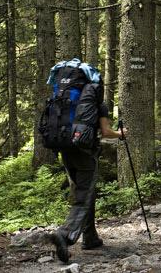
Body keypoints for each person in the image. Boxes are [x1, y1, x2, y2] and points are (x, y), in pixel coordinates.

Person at [43, 60, 125, 263]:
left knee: (82, 191)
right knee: (84, 194)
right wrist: (121, 134)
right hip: (85, 150)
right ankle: (66, 234)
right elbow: (106, 132)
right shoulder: (97, 102)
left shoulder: (62, 97)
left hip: (65, 145)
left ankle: (90, 237)